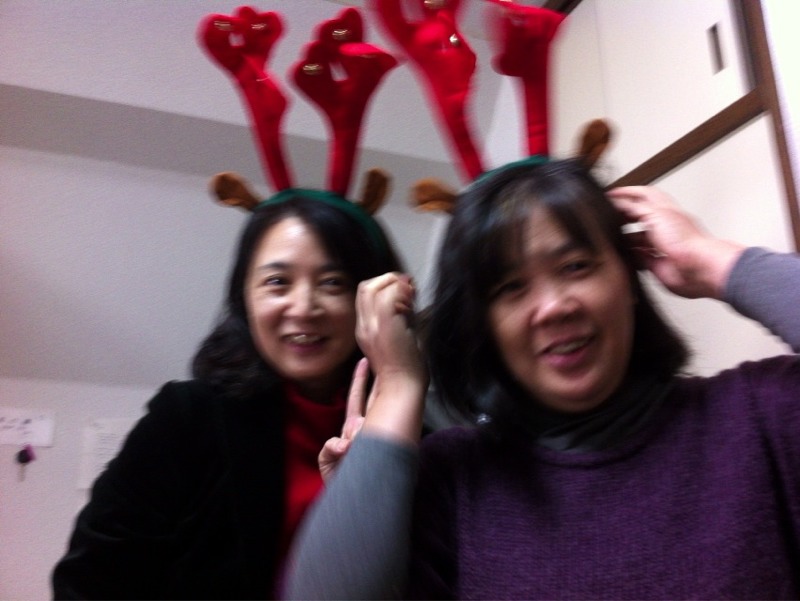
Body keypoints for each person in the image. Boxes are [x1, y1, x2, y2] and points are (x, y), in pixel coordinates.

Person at [284, 158, 800, 599]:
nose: (553, 306)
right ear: (484, 325)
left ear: (627, 277)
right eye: (511, 287)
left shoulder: (755, 416)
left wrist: (712, 261)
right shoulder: (454, 479)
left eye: (576, 266)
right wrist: (397, 388)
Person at [50, 190, 403, 600]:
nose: (304, 307)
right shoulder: (186, 419)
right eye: (277, 282)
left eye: (333, 283)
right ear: (244, 296)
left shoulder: (410, 435)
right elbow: (89, 581)